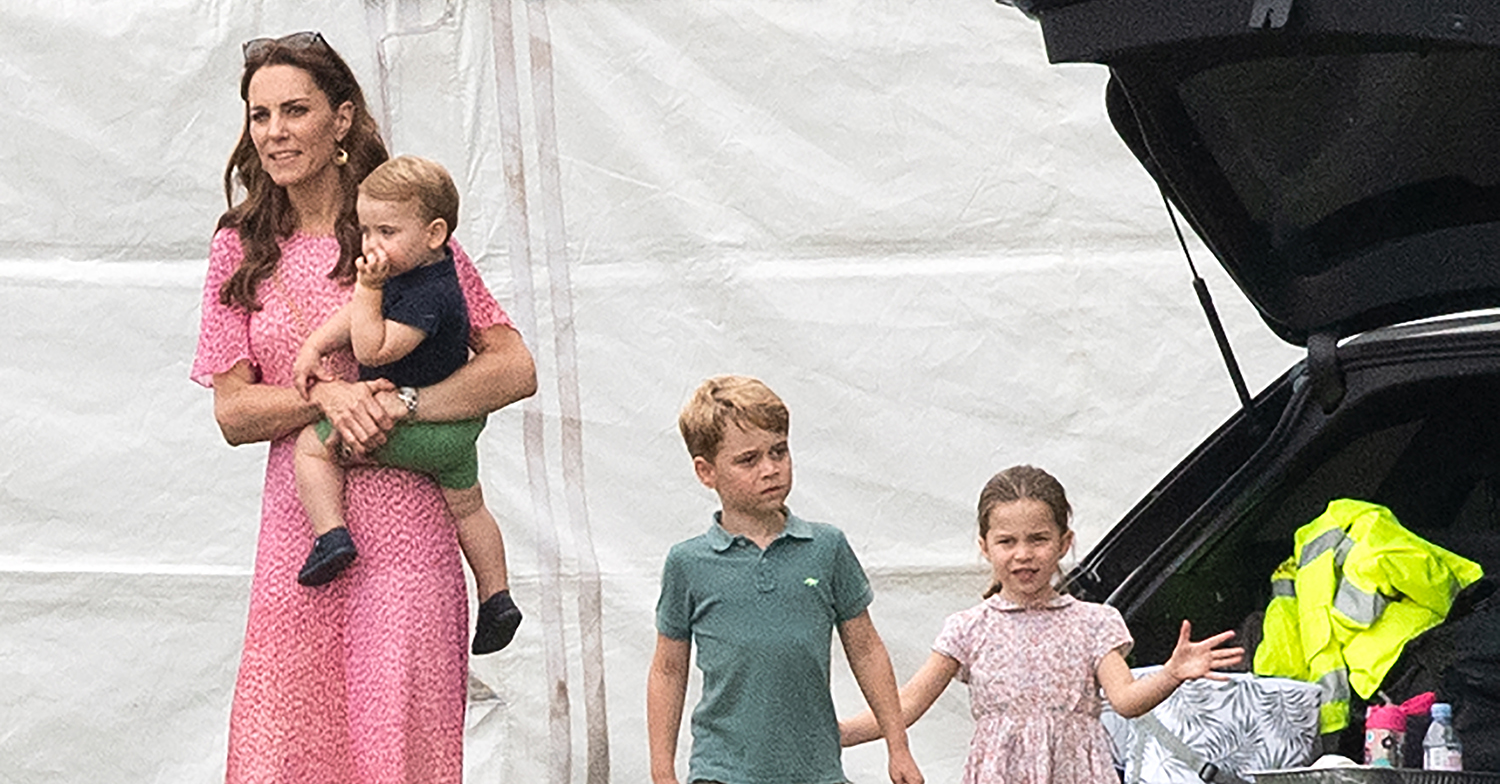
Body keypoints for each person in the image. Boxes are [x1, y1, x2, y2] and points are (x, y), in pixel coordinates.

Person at [191, 31, 536, 783]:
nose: (275, 132)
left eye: (295, 110)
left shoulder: (399, 229)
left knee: (398, 752)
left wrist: (401, 406)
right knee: (286, 751)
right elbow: (232, 412)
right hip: (305, 538)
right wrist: (327, 395)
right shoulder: (239, 246)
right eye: (259, 115)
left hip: (409, 540)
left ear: (341, 119)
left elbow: (513, 368)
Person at [838, 464, 1244, 784]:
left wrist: (1172, 673)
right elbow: (905, 706)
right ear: (984, 547)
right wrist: (836, 733)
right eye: (1007, 542)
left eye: (1038, 539)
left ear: (1065, 543)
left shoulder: (1094, 623)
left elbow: (1125, 700)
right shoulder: (968, 628)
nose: (1023, 555)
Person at [290, 154, 522, 654]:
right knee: (470, 507)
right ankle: (497, 597)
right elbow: (352, 318)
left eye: (386, 232)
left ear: (435, 233)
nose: (371, 245)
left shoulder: (432, 294)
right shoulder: (416, 274)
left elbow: (372, 347)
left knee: (311, 447)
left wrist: (368, 288)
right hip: (458, 432)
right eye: (365, 230)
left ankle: (331, 535)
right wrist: (315, 345)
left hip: (415, 427)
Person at [646, 375, 924, 784]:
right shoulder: (688, 563)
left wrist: (898, 747)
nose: (770, 469)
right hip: (722, 772)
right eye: (748, 460)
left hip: (817, 771)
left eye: (779, 451)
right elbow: (668, 670)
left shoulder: (826, 548)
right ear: (706, 472)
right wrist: (661, 772)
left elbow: (866, 649)